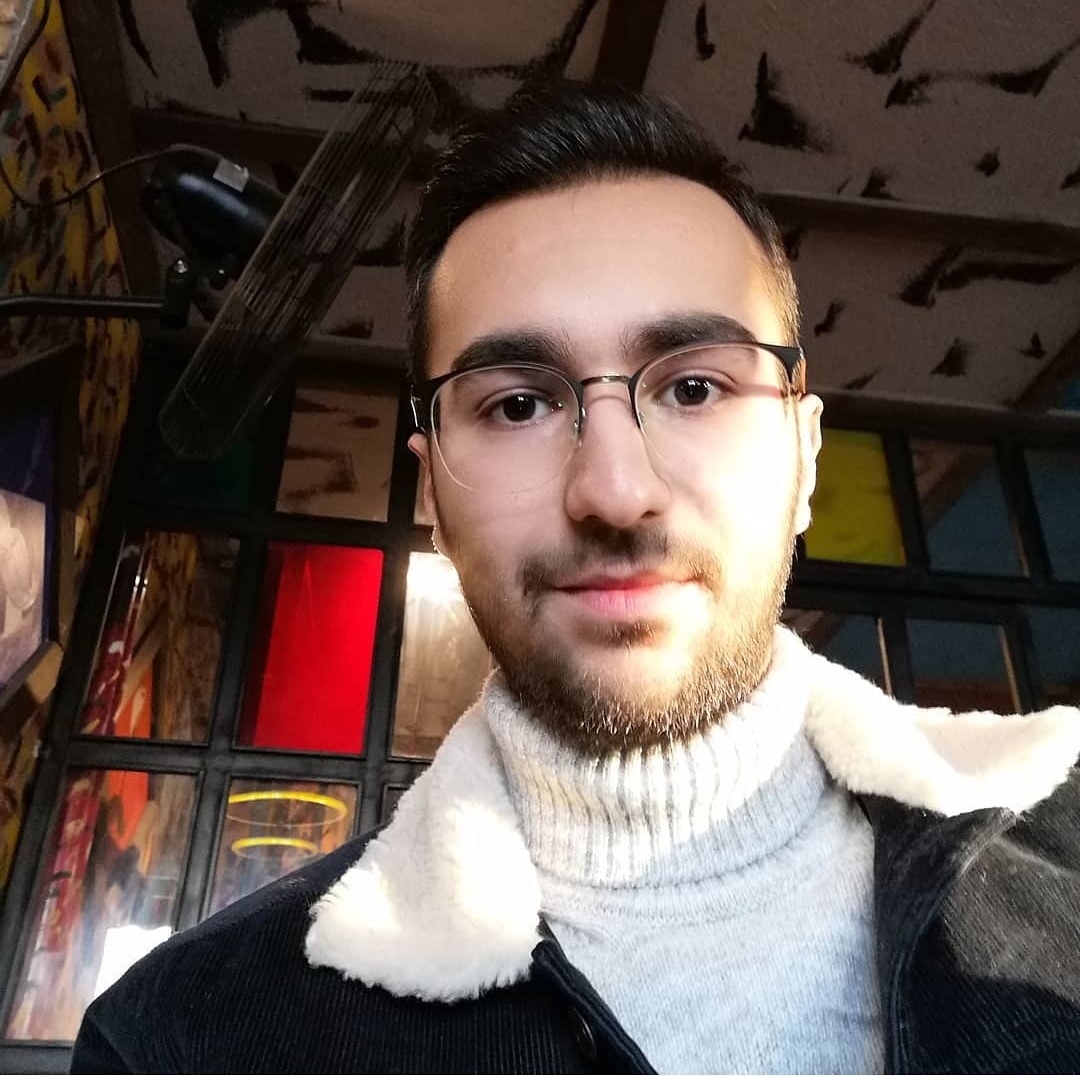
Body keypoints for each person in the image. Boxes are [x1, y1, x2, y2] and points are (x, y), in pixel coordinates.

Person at [72, 79, 1080, 1075]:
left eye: (695, 386)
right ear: (432, 497)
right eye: (518, 405)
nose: (614, 490)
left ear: (806, 458)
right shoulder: (182, 1041)